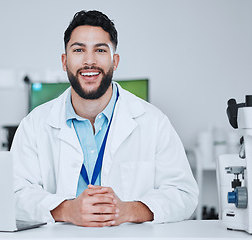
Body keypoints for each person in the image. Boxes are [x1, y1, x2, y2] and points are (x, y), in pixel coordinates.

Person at [11, 10, 198, 227]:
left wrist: (128, 210)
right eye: (78, 50)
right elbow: (14, 192)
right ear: (64, 61)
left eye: (100, 50)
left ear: (115, 61)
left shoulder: (153, 121)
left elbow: (183, 194)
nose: (89, 61)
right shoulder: (34, 124)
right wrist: (66, 210)